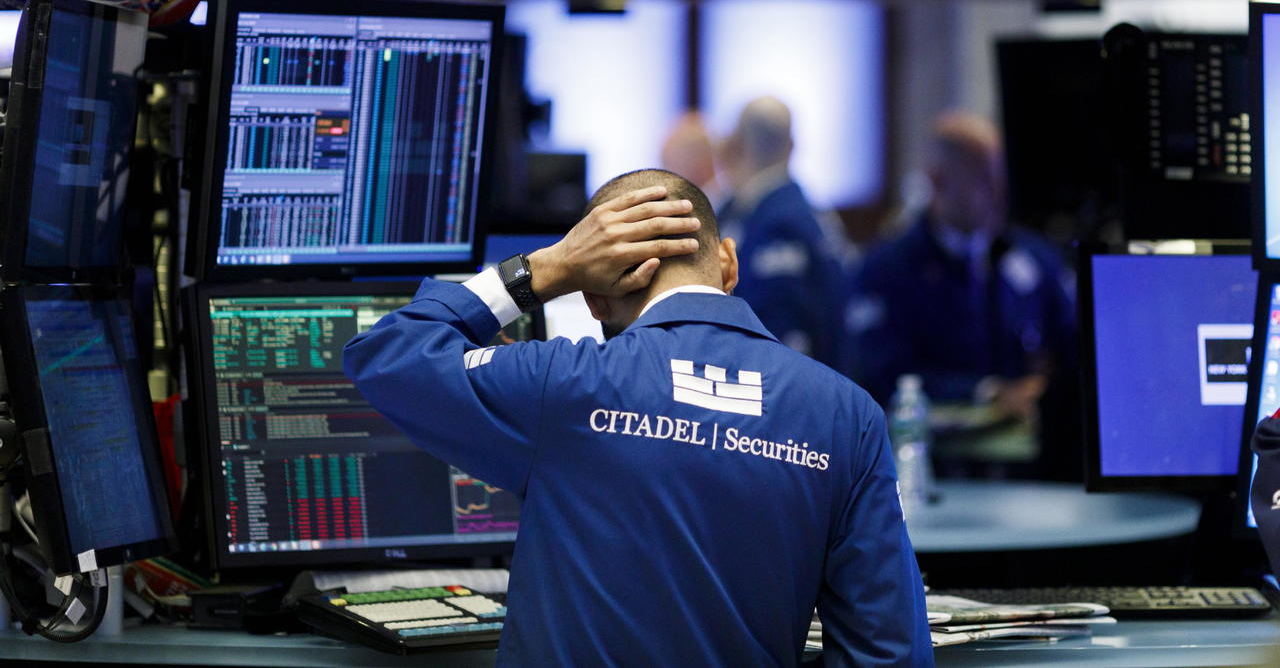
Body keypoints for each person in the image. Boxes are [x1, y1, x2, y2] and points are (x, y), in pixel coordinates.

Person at [345, 168, 932, 667]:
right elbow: (890, 652)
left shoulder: (564, 382)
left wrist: (549, 267)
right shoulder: (849, 415)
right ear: (728, 263)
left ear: (593, 297)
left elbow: (388, 353)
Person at [844, 112, 1078, 474]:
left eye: (999, 176)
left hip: (1031, 468)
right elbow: (883, 375)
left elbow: (1073, 343)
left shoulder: (1031, 258)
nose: (998, 192)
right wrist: (988, 392)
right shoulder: (886, 271)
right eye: (983, 178)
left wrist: (1046, 391)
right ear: (938, 181)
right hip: (937, 467)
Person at [716, 96, 848, 368]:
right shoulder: (811, 214)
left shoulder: (775, 221)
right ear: (791, 146)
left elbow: (775, 331)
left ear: (734, 146)